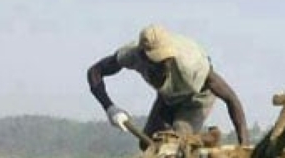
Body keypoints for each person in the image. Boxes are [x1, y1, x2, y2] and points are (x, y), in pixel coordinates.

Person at [87, 24, 249, 145]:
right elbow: (94, 72)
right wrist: (110, 108)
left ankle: (207, 140)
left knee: (174, 143)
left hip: (196, 98)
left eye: (167, 59)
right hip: (168, 96)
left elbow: (231, 98)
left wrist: (245, 146)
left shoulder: (191, 65)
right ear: (144, 57)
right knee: (148, 144)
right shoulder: (132, 55)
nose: (165, 65)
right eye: (158, 61)